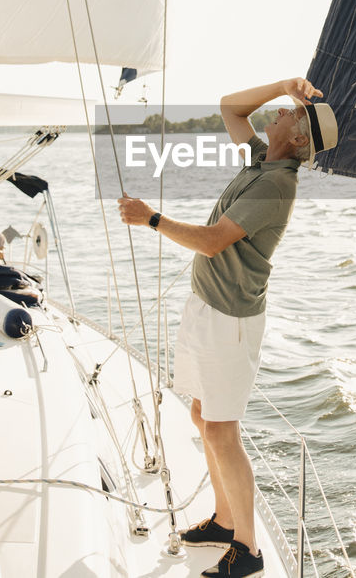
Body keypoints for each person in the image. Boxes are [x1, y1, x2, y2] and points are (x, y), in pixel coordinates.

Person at [117, 77, 338, 578]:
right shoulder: (262, 159)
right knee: (201, 417)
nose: (278, 112)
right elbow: (229, 109)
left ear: (299, 138)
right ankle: (223, 519)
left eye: (287, 112)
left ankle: (249, 549)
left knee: (221, 429)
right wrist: (285, 84)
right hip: (206, 308)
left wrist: (152, 219)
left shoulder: (277, 185)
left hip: (229, 322)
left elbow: (216, 241)